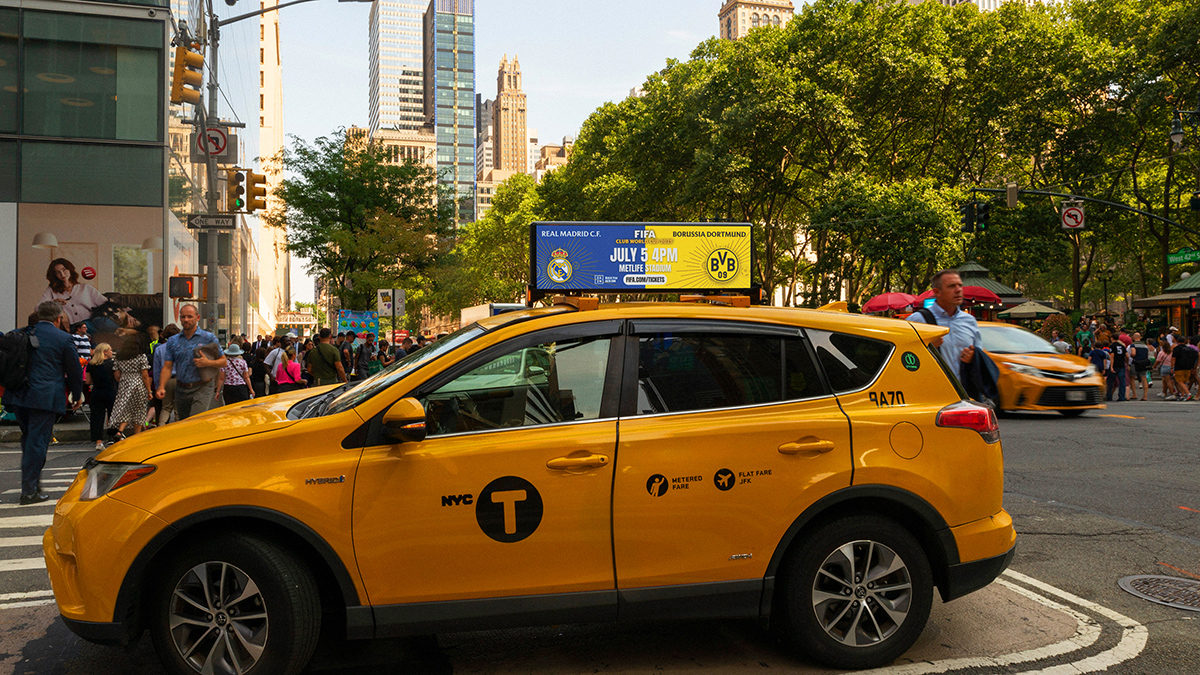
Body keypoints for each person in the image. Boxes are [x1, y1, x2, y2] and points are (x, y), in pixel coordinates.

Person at [1, 302, 83, 504]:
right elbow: (74, 371)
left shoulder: (19, 333)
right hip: (45, 397)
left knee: (29, 439)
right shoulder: (63, 338)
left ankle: (33, 485)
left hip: (19, 395)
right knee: (37, 442)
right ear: (58, 318)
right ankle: (29, 491)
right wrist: (76, 394)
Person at [156, 304, 226, 420]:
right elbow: (167, 367)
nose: (186, 320)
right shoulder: (173, 341)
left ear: (197, 318)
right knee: (184, 423)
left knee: (195, 420)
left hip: (202, 387)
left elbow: (223, 362)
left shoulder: (208, 337)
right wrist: (161, 387)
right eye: (183, 317)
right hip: (181, 388)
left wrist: (208, 362)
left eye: (189, 316)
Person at [907, 270, 982, 374]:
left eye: (960, 285)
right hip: (932, 387)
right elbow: (906, 358)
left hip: (964, 388)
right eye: (951, 286)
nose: (958, 290)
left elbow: (980, 355)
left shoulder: (970, 321)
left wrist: (973, 357)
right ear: (937, 292)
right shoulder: (918, 321)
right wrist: (926, 348)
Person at [38, 258, 108, 330]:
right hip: (74, 326)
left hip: (92, 321)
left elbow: (105, 304)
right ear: (54, 275)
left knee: (103, 322)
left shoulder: (85, 288)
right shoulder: (51, 290)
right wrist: (54, 303)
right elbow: (38, 308)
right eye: (57, 272)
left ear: (70, 269)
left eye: (64, 269)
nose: (62, 274)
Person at [111, 334, 152, 440]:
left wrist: (124, 379)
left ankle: (120, 431)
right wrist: (149, 390)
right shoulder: (141, 357)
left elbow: (117, 374)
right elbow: (145, 375)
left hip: (124, 383)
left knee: (126, 409)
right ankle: (136, 436)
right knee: (139, 410)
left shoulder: (119, 357)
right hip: (138, 384)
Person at [85, 343, 118, 451]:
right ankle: (112, 437)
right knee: (112, 415)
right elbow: (117, 377)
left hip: (97, 391)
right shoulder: (112, 364)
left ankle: (98, 442)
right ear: (104, 352)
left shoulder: (91, 364)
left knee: (97, 417)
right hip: (110, 391)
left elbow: (88, 381)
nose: (111, 352)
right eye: (110, 350)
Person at [151, 324, 180, 425]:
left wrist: (158, 386)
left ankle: (161, 427)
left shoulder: (159, 349)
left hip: (165, 380)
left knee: (166, 407)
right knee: (178, 408)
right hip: (179, 380)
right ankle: (178, 430)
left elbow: (156, 370)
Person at [1129, 332, 1151, 401]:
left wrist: (1132, 356)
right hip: (1143, 362)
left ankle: (1134, 394)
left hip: (1135, 362)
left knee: (1132, 377)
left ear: (1134, 337)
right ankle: (1145, 396)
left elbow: (1133, 353)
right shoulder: (1145, 345)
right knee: (1144, 378)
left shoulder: (1133, 345)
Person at [1105, 335, 1128, 402]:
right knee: (1122, 382)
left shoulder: (1112, 346)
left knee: (1110, 382)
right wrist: (1126, 361)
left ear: (1112, 338)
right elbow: (1127, 356)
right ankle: (1121, 396)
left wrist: (1111, 366)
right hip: (1121, 365)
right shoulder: (1122, 346)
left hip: (1115, 365)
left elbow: (1112, 356)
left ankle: (1109, 396)